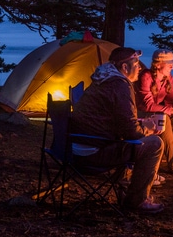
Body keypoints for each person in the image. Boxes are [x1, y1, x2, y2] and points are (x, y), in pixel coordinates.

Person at [70, 47, 165, 214]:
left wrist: (139, 124)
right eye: (136, 64)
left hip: (79, 146)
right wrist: (147, 128)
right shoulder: (119, 85)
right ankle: (137, 201)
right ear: (125, 68)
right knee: (154, 144)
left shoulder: (103, 80)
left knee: (138, 141)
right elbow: (131, 132)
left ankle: (128, 189)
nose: (140, 68)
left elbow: (115, 119)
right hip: (93, 153)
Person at [135, 49, 173, 178]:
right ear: (157, 65)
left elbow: (171, 103)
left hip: (157, 114)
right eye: (169, 63)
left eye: (172, 63)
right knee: (164, 119)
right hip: (141, 115)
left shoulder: (169, 79)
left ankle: (164, 154)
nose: (172, 66)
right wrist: (172, 111)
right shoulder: (146, 76)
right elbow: (148, 105)